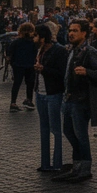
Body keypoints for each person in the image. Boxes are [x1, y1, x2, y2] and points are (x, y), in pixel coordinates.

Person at [56, 19, 97, 183]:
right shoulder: (72, 50)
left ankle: (85, 169)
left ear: (84, 33)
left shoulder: (90, 52)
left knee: (80, 135)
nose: (70, 33)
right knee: (69, 132)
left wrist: (87, 72)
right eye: (70, 30)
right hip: (69, 98)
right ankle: (76, 166)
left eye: (75, 31)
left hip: (81, 100)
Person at [33, 24, 69, 174]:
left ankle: (58, 163)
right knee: (44, 128)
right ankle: (45, 163)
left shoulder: (59, 50)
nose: (33, 38)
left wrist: (44, 69)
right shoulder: (40, 50)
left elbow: (62, 73)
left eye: (35, 36)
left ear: (42, 37)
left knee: (56, 129)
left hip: (53, 93)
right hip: (40, 93)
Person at [9, 22, 39, 112]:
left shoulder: (16, 42)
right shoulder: (33, 43)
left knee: (16, 84)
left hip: (18, 65)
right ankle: (29, 100)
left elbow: (10, 53)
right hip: (30, 65)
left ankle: (13, 103)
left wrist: (13, 63)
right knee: (30, 83)